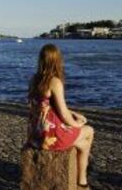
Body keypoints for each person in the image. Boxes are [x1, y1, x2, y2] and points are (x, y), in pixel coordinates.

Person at [27, 44, 94, 189]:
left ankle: (82, 178)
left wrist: (74, 114)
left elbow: (49, 106)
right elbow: (63, 114)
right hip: (49, 137)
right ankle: (82, 182)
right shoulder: (54, 82)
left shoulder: (34, 79)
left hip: (34, 134)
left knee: (84, 144)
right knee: (89, 131)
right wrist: (78, 123)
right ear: (57, 60)